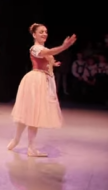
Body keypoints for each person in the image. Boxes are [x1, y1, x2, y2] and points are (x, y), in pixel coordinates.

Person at [7, 24, 76, 157]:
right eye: (41, 32)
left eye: (46, 32)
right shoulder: (35, 48)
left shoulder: (42, 48)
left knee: (29, 113)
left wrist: (52, 63)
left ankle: (17, 140)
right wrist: (64, 47)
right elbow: (48, 53)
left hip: (42, 80)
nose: (44, 34)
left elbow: (47, 58)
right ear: (34, 35)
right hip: (36, 81)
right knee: (33, 114)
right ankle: (29, 147)